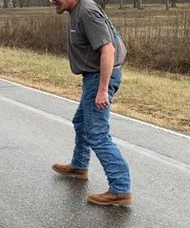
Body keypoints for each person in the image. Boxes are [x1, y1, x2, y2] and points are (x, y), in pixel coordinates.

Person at [50, 0, 132, 206]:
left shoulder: (86, 12)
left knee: (97, 133)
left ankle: (121, 189)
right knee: (81, 122)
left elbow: (108, 50)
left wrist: (102, 90)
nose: (52, 1)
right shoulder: (77, 10)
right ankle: (79, 165)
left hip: (100, 77)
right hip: (92, 77)